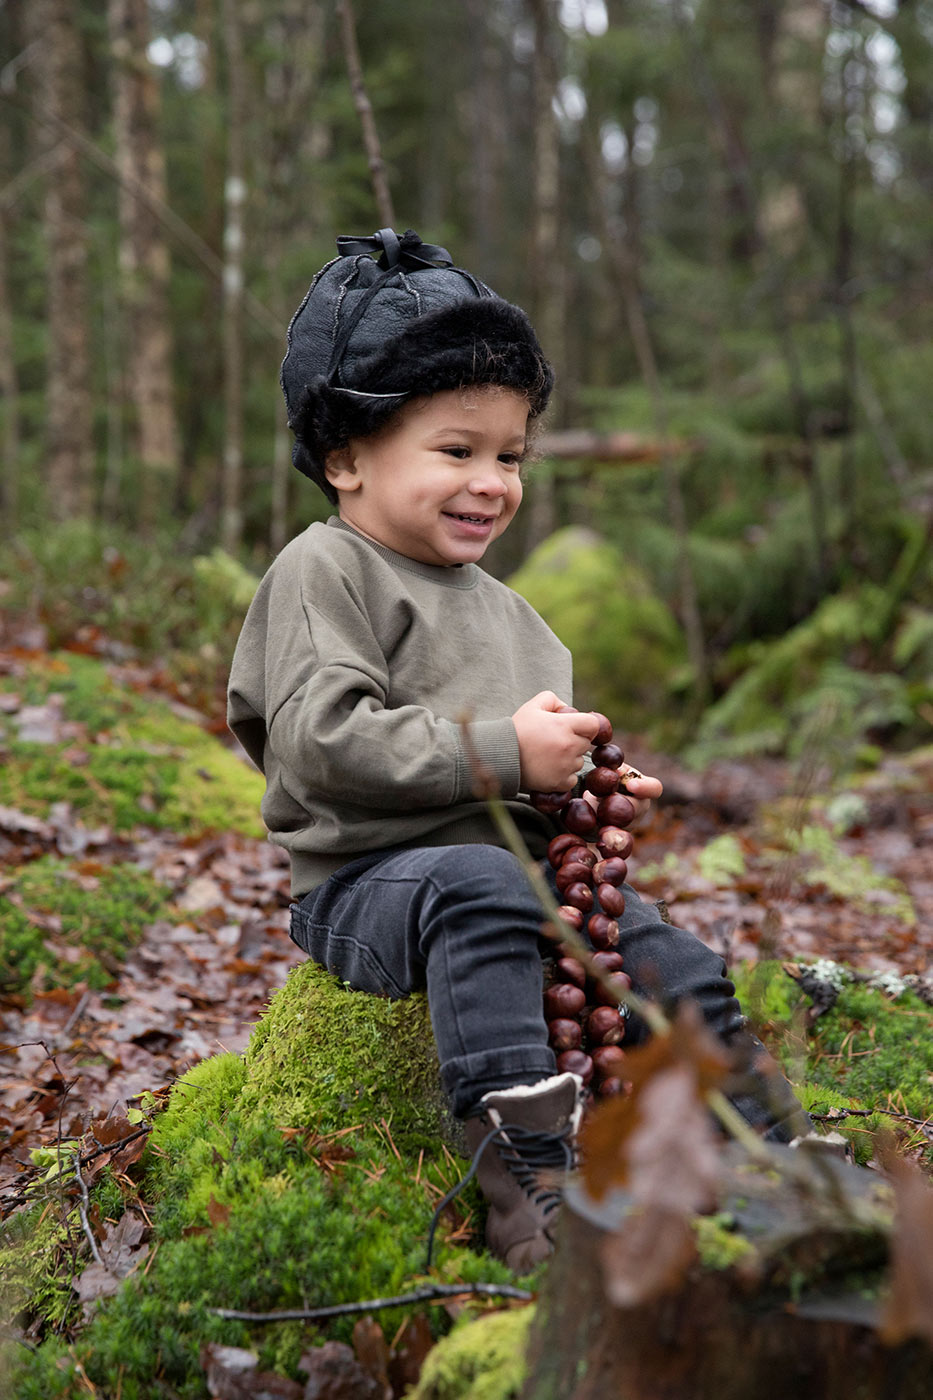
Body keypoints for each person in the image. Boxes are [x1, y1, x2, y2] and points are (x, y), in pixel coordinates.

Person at [227, 228, 807, 1273]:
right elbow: (319, 746)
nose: (490, 481)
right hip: (367, 879)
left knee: (660, 947)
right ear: (347, 456)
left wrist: (587, 786)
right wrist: (507, 750)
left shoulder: (522, 620)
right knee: (483, 885)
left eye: (509, 456)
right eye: (456, 450)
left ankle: (770, 1152)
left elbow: (531, 778)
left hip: (516, 877)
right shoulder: (327, 571)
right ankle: (531, 1183)